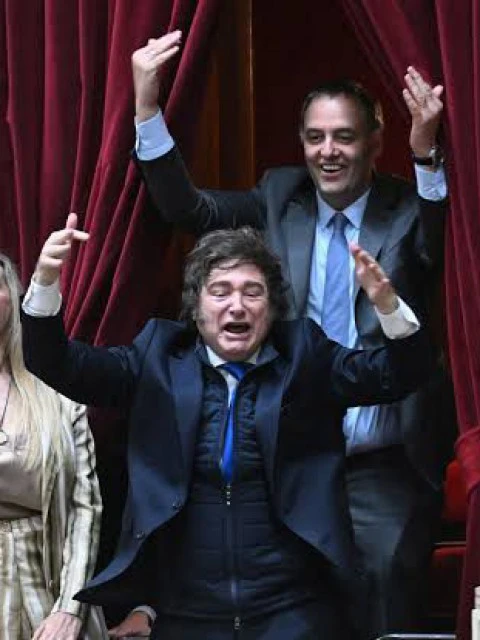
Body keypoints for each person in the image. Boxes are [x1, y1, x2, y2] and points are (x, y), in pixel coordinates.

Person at [130, 31, 453, 636]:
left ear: (375, 142)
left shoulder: (407, 208)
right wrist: (148, 109)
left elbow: (441, 250)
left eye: (344, 137)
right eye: (315, 137)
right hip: (288, 457)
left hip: (380, 463)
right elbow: (190, 211)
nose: (328, 152)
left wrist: (426, 156)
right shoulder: (280, 197)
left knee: (384, 599)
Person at [21, 217, 434, 640]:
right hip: (186, 611)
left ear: (271, 308)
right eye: (220, 291)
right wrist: (46, 284)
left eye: (253, 292)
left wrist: (387, 306)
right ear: (196, 307)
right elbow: (58, 364)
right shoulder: (157, 357)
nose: (237, 306)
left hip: (293, 609)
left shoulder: (304, 356)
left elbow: (401, 373)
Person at [0, 252, 107, 639]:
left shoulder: (55, 391)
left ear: (12, 297)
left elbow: (85, 509)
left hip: (49, 587)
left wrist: (70, 608)